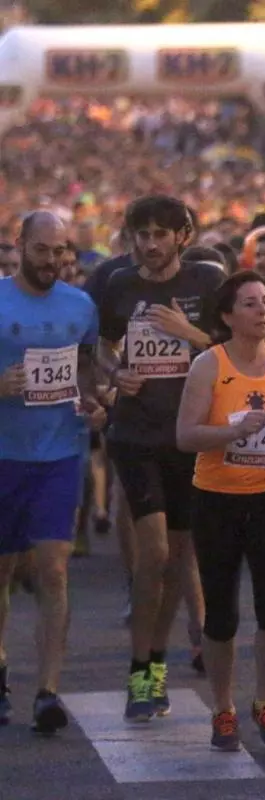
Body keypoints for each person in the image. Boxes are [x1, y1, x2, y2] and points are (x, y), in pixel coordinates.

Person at [95, 195, 223, 723]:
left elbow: (232, 349)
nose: (149, 245)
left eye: (159, 235)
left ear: (182, 237)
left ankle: (157, 664)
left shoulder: (207, 282)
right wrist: (115, 372)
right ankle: (139, 669)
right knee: (154, 553)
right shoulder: (119, 284)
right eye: (141, 235)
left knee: (176, 558)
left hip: (188, 438)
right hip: (136, 435)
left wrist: (190, 335)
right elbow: (102, 346)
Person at [175, 270, 265, 752]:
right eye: (251, 304)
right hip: (217, 500)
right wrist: (231, 433)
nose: (263, 312)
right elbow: (185, 435)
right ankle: (223, 708)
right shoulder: (209, 366)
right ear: (228, 316)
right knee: (221, 613)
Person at [0, 211, 103, 733]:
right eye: (40, 250)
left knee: (54, 570)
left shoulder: (80, 305)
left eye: (59, 251)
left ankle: (48, 691)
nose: (50, 261)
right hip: (3, 455)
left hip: (60, 454)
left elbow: (88, 369)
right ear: (20, 245)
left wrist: (96, 401)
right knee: (3, 571)